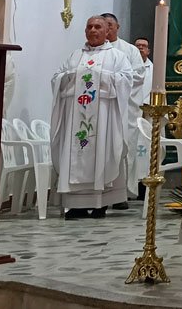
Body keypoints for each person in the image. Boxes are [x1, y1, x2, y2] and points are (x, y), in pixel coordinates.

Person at [49, 16, 133, 219]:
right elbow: (56, 78)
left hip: (103, 116)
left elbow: (126, 80)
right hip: (74, 115)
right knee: (74, 152)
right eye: (89, 26)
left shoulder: (117, 56)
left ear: (107, 32)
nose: (93, 30)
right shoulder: (74, 55)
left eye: (98, 27)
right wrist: (72, 76)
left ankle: (100, 204)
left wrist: (100, 75)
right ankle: (75, 205)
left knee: (102, 153)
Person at [101, 13, 147, 206]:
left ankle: (121, 194)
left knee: (123, 150)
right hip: (102, 109)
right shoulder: (93, 52)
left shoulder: (129, 50)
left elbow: (138, 75)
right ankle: (101, 191)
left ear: (117, 27)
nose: (107, 29)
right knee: (102, 149)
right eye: (104, 25)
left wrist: (112, 80)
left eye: (110, 25)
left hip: (124, 109)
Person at [125, 36, 154, 198]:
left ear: (148, 51)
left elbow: (156, 91)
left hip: (146, 117)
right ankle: (128, 188)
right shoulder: (128, 67)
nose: (140, 48)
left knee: (144, 155)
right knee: (130, 152)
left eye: (143, 46)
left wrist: (145, 106)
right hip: (130, 116)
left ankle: (143, 188)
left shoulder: (154, 69)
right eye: (137, 46)